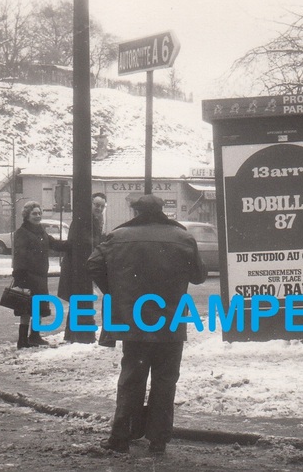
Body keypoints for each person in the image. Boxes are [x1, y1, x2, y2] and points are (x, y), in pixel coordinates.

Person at [87, 194, 207, 455]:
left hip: (135, 320)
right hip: (171, 320)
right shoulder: (183, 237)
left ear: (135, 211)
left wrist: (115, 291)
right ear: (162, 210)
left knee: (132, 377)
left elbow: (93, 264)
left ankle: (121, 437)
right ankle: (158, 440)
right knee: (165, 380)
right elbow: (198, 276)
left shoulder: (118, 236)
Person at [13, 200, 71, 349]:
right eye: (34, 214)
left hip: (40, 276)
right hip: (27, 276)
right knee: (26, 309)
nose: (38, 216)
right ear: (27, 215)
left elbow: (54, 244)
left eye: (39, 213)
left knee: (37, 308)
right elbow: (19, 256)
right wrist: (20, 278)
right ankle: (22, 339)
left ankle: (34, 336)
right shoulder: (21, 233)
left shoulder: (40, 231)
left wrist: (71, 244)